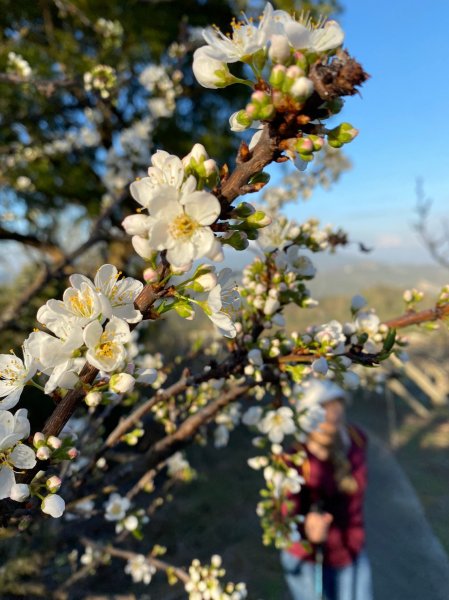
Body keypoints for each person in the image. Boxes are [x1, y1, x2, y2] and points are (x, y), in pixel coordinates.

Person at [281, 380, 373, 600]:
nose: (332, 413)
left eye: (335, 404)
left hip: (351, 549)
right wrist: (307, 524)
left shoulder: (355, 439)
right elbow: (285, 517)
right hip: (310, 559)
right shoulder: (294, 460)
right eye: (322, 407)